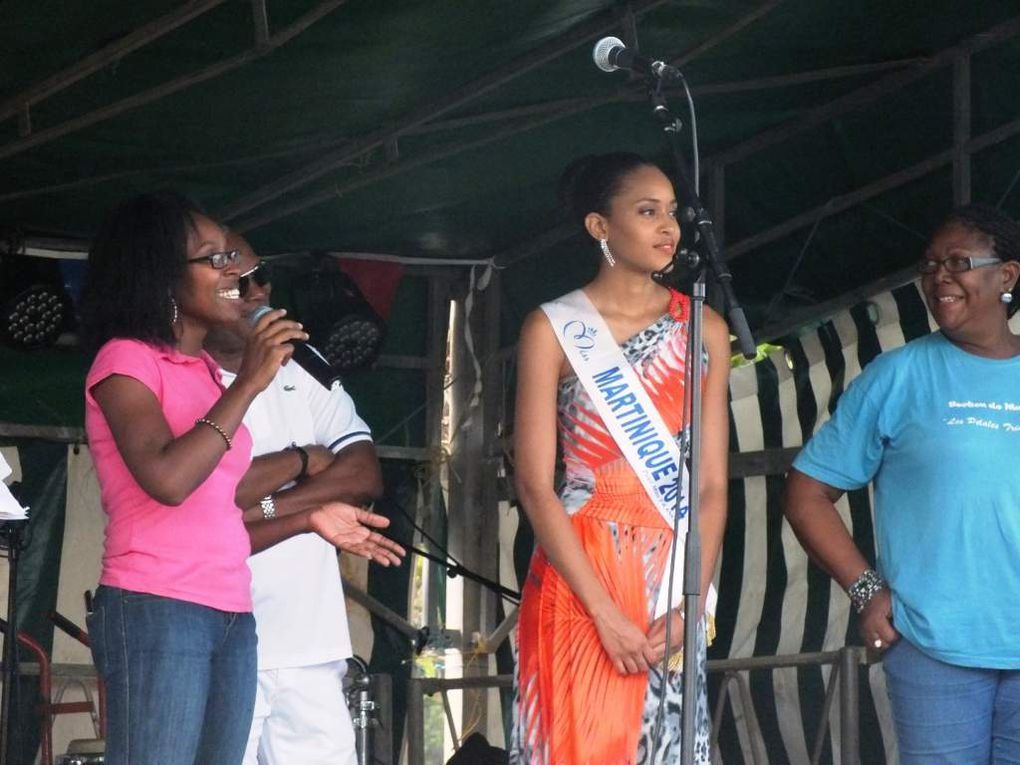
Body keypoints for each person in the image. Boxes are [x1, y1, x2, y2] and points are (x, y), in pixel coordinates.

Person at [79, 193, 396, 764]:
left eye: (234, 257)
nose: (236, 273)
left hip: (231, 613)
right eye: (215, 259)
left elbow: (221, 515)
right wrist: (248, 385)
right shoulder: (126, 361)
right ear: (163, 277)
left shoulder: (204, 373)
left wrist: (305, 518)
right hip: (157, 608)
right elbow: (169, 480)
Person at [510, 153, 731, 763]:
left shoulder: (705, 327)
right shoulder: (551, 327)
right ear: (599, 227)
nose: (668, 227)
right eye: (646, 211)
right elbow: (534, 484)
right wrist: (602, 613)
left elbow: (712, 484)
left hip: (671, 573)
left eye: (672, 213)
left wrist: (693, 601)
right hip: (580, 574)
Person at [782, 204, 1020, 763]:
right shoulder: (898, 376)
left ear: (1006, 275)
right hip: (935, 643)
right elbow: (805, 493)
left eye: (958, 262)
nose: (939, 277)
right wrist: (866, 590)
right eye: (931, 264)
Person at [204, 234, 404, 765]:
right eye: (233, 282)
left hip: (310, 642)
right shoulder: (184, 375)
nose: (252, 292)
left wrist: (265, 506)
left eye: (258, 278)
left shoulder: (304, 364)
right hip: (222, 642)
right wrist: (298, 461)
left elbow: (363, 473)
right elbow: (209, 495)